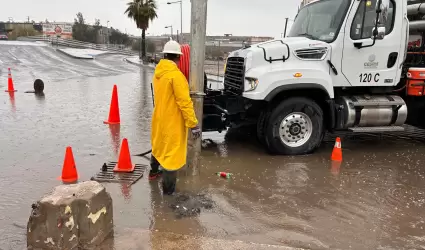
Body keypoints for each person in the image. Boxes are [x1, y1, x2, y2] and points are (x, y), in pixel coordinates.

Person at [149, 40, 202, 195]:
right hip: (172, 123)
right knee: (171, 158)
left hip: (159, 119)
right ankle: (168, 193)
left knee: (159, 147)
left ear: (165, 55)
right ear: (179, 58)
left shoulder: (158, 73)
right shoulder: (176, 77)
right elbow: (185, 103)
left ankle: (153, 174)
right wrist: (193, 124)